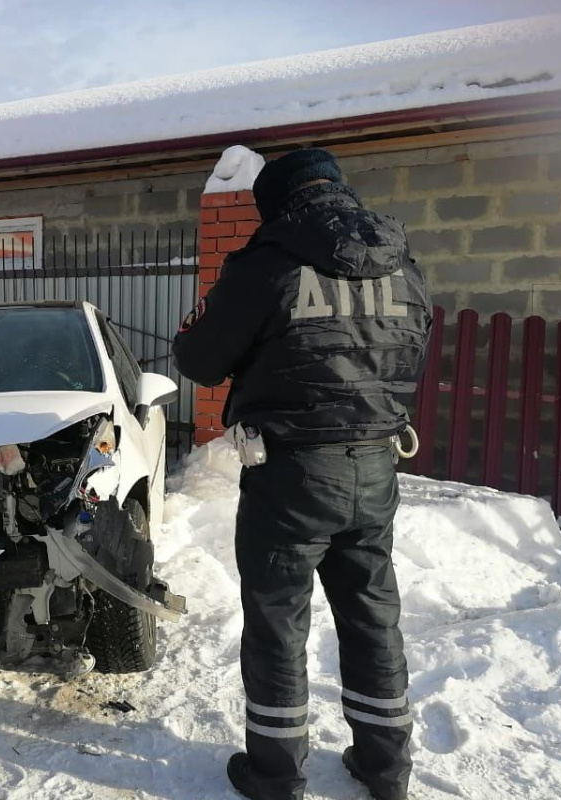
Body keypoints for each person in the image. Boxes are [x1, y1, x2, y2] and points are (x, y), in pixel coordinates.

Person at [173, 148, 432, 800]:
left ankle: (275, 779)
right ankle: (385, 769)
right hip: (376, 467)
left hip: (289, 474)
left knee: (278, 626)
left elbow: (202, 361)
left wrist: (201, 326)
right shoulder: (403, 265)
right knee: (373, 617)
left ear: (277, 205)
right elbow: (417, 349)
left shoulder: (267, 265)